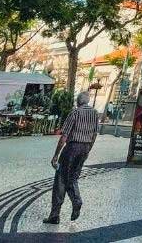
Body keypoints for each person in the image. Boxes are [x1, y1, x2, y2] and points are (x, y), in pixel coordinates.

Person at [43, 91, 99, 224]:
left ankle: (56, 214)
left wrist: (56, 155)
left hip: (72, 148)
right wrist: (88, 149)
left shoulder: (75, 112)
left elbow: (64, 136)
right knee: (73, 177)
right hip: (85, 148)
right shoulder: (95, 113)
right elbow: (95, 134)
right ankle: (75, 201)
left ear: (78, 102)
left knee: (61, 179)